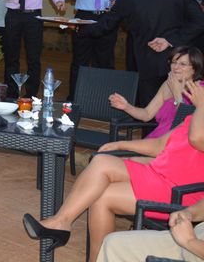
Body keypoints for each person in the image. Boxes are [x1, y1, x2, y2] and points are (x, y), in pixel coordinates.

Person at [23, 79, 204, 262]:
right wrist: (120, 144)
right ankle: (63, 223)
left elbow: (197, 139)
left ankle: (61, 224)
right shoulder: (198, 115)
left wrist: (202, 105)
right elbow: (160, 145)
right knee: (101, 167)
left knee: (102, 195)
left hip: (180, 192)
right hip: (160, 173)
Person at [81, 0, 204, 106]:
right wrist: (171, 40)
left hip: (147, 61)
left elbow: (105, 26)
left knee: (150, 108)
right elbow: (199, 20)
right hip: (178, 59)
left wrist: (80, 29)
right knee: (178, 109)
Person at [109, 46, 204, 138]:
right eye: (174, 62)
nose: (175, 67)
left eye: (182, 64)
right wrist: (126, 106)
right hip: (157, 139)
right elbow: (146, 114)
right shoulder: (167, 85)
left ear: (194, 69)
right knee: (109, 149)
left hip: (179, 143)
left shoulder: (200, 90)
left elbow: (187, 124)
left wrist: (176, 93)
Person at [97, 197, 204, 261]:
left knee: (104, 197)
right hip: (194, 238)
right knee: (113, 243)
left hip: (194, 249)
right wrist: (190, 212)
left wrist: (190, 241)